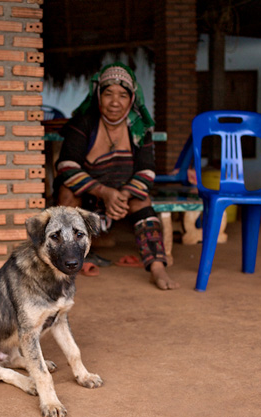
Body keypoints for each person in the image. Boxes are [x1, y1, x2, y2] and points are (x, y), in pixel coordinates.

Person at [53, 62, 178, 290]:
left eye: (122, 95)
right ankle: (67, 261)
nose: (114, 102)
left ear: (131, 99)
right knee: (66, 193)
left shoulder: (139, 129)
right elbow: (66, 166)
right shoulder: (83, 123)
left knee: (143, 200)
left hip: (122, 198)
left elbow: (147, 171)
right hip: (88, 198)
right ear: (98, 95)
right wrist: (103, 192)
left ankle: (157, 267)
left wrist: (122, 195)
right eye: (108, 93)